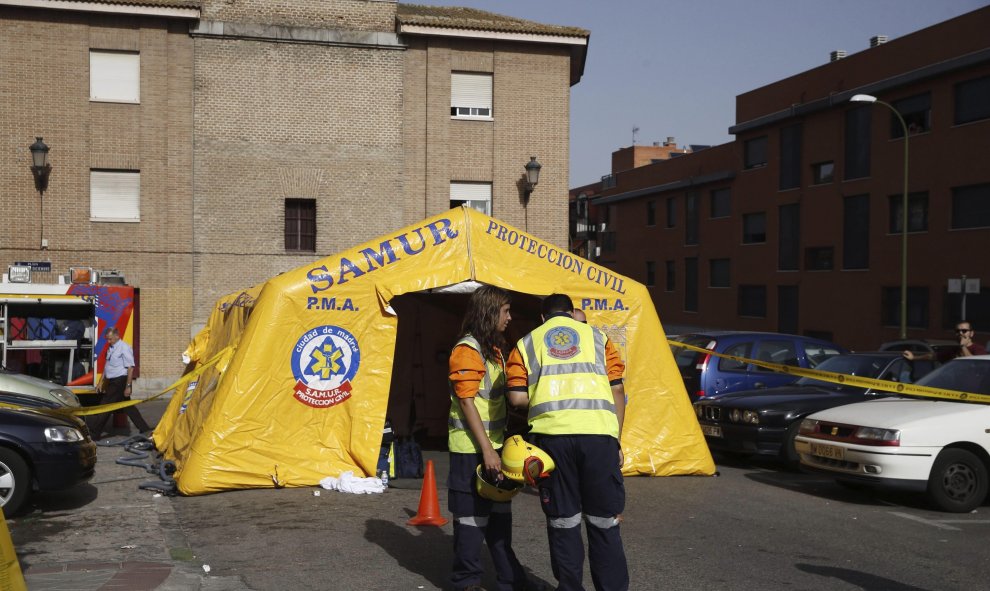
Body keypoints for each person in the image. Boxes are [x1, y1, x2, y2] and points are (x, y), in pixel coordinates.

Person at [506, 294, 628, 591]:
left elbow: (517, 397)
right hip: (598, 438)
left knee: (563, 520)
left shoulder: (526, 344)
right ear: (573, 314)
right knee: (603, 521)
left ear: (543, 318)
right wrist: (616, 440)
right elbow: (618, 391)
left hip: (553, 440)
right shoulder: (600, 339)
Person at [447, 285, 529, 591]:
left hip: (494, 446)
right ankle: (466, 583)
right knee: (470, 521)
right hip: (472, 449)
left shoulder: (494, 350)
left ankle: (512, 581)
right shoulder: (468, 349)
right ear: (489, 312)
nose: (510, 317)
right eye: (505, 311)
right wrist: (488, 452)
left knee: (499, 521)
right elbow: (467, 402)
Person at [87, 326, 152, 438]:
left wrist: (128, 386)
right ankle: (145, 429)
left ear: (117, 336)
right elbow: (107, 366)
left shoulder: (124, 348)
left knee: (105, 405)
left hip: (120, 381)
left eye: (110, 339)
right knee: (128, 407)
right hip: (113, 381)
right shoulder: (111, 348)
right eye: (107, 339)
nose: (108, 341)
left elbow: (130, 368)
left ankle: (94, 432)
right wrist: (100, 382)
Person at [903, 320, 988, 363]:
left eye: (964, 331)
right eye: (957, 331)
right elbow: (933, 356)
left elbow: (972, 362)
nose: (960, 333)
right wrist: (914, 358)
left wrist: (963, 346)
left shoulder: (979, 349)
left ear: (971, 334)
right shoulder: (953, 350)